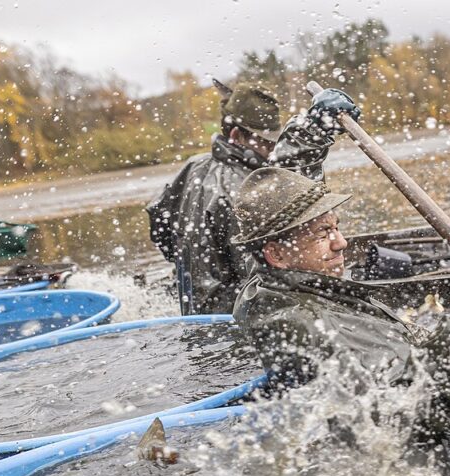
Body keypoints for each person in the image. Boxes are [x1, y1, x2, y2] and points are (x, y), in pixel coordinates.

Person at [230, 167, 450, 439]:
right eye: (323, 234)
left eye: (336, 227)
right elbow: (398, 416)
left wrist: (307, 139)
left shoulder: (273, 281)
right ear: (276, 254)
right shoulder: (305, 323)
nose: (341, 243)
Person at [146, 81, 360, 314]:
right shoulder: (246, 190)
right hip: (236, 314)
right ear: (237, 135)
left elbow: (160, 230)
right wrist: (311, 134)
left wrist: (190, 265)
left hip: (194, 308)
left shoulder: (193, 166)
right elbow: (265, 268)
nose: (273, 149)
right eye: (267, 142)